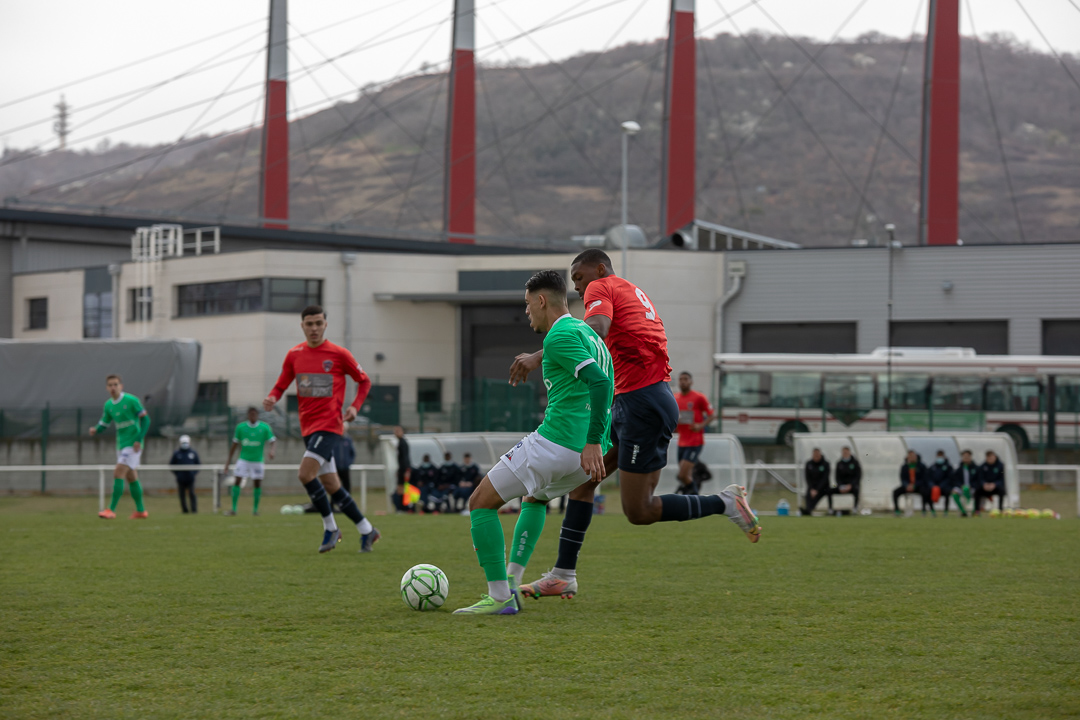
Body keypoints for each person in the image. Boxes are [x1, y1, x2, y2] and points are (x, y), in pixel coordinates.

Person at [508, 261, 760, 601]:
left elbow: (595, 327)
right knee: (584, 482)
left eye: (580, 279)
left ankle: (725, 502)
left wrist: (541, 354)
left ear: (598, 269)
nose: (579, 289)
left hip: (642, 403)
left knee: (639, 510)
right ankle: (563, 575)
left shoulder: (603, 286)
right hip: (635, 400)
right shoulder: (633, 292)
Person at [455, 270, 615, 615]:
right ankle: (512, 581)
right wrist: (597, 441)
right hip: (580, 461)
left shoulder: (560, 335)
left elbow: (600, 384)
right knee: (535, 498)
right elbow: (604, 387)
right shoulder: (589, 333)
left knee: (480, 503)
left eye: (528, 305)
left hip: (558, 444)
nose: (527, 312)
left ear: (542, 301)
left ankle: (499, 597)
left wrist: (591, 441)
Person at [263, 304, 380, 553]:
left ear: (325, 324)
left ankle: (330, 528)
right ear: (302, 326)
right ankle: (367, 530)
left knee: (305, 474)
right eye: (309, 324)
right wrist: (273, 397)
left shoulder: (338, 354)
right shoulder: (294, 355)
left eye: (318, 323)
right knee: (332, 486)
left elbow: (364, 380)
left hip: (329, 426)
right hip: (307, 429)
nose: (314, 328)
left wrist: (355, 407)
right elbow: (281, 384)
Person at [90, 374, 151, 519]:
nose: (113, 387)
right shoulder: (108, 405)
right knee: (131, 477)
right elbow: (104, 423)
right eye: (110, 385)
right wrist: (95, 429)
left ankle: (111, 510)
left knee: (118, 472)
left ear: (121, 386)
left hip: (133, 444)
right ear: (107, 388)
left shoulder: (131, 400)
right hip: (121, 445)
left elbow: (146, 420)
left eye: (115, 384)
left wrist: (139, 439)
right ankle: (141, 511)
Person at [223, 407, 276, 516]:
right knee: (237, 481)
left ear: (257, 415)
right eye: (251, 414)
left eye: (254, 414)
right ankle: (233, 509)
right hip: (243, 460)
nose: (253, 416)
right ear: (248, 415)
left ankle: (255, 510)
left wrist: (272, 451)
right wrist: (228, 462)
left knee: (257, 484)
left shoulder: (264, 427)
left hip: (257, 461)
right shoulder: (241, 427)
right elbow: (234, 445)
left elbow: (273, 441)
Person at [673, 371, 716, 492]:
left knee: (682, 475)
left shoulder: (699, 397)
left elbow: (712, 415)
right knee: (685, 476)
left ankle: (695, 499)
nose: (683, 381)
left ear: (691, 382)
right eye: (681, 379)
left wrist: (700, 425)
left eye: (686, 379)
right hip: (681, 442)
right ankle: (691, 502)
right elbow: (676, 418)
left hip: (695, 442)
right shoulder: (675, 398)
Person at [893, 450, 932, 516]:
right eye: (909, 456)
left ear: (916, 457)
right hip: (907, 486)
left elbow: (924, 479)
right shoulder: (904, 467)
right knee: (895, 492)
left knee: (925, 492)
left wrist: (914, 485)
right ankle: (897, 510)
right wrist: (907, 485)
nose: (911, 458)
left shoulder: (922, 466)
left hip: (918, 486)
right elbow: (903, 478)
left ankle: (924, 510)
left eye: (912, 456)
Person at [169, 435, 200, 514]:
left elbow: (198, 464)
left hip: (190, 478)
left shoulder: (193, 453)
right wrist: (178, 473)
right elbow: (171, 464)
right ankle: (184, 510)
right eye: (183, 443)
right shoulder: (177, 453)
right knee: (182, 495)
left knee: (192, 493)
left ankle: (194, 510)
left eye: (186, 443)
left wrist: (193, 473)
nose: (185, 444)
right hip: (180, 478)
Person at [973, 450, 1006, 515]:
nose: (990, 459)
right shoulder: (982, 466)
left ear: (995, 457)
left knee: (1002, 491)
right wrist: (984, 484)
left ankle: (1000, 510)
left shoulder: (1001, 466)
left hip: (995, 487)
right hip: (985, 487)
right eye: (988, 458)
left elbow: (1002, 478)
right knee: (977, 491)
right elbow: (980, 478)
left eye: (991, 457)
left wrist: (995, 484)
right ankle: (977, 511)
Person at [801, 448, 832, 515]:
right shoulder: (809, 464)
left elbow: (825, 478)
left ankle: (830, 510)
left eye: (817, 455)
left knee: (829, 491)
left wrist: (817, 489)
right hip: (813, 487)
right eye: (814, 455)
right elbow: (807, 478)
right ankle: (808, 509)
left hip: (823, 487)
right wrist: (812, 489)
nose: (816, 457)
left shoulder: (826, 464)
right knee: (809, 494)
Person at [831, 445, 861, 513]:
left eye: (846, 452)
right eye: (844, 452)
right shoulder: (839, 463)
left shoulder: (855, 463)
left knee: (857, 489)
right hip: (841, 486)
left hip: (852, 486)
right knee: (829, 490)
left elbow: (858, 476)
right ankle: (830, 509)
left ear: (849, 453)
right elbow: (837, 477)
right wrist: (840, 486)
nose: (845, 454)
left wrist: (851, 485)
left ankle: (855, 508)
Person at [950, 449, 978, 517]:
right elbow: (955, 480)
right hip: (961, 487)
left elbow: (978, 480)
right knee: (954, 493)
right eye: (964, 456)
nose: (966, 458)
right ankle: (963, 511)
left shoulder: (976, 468)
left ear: (970, 457)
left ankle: (974, 512)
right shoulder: (958, 469)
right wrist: (961, 486)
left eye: (967, 456)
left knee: (978, 492)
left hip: (972, 488)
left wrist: (971, 486)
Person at [927, 449, 954, 514]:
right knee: (926, 492)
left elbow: (949, 478)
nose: (939, 458)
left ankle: (946, 511)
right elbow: (928, 478)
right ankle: (932, 510)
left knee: (947, 493)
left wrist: (941, 486)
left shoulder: (948, 467)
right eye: (938, 456)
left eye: (941, 456)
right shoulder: (932, 467)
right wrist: (933, 485)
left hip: (944, 487)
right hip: (934, 486)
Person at [332, 424, 356, 493]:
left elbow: (352, 453)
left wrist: (349, 462)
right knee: (334, 486)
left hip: (345, 468)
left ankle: (347, 502)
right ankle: (332, 503)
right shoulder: (334, 439)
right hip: (336, 467)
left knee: (346, 485)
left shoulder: (348, 440)